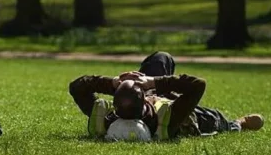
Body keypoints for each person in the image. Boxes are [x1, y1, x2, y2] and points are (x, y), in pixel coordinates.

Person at [69, 52, 264, 141]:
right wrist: (154, 82)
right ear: (144, 98)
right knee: (221, 122)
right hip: (190, 114)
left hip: (155, 93)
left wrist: (114, 83)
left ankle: (147, 84)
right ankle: (240, 122)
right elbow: (197, 85)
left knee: (161, 58)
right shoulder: (169, 120)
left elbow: (77, 86)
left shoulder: (107, 118)